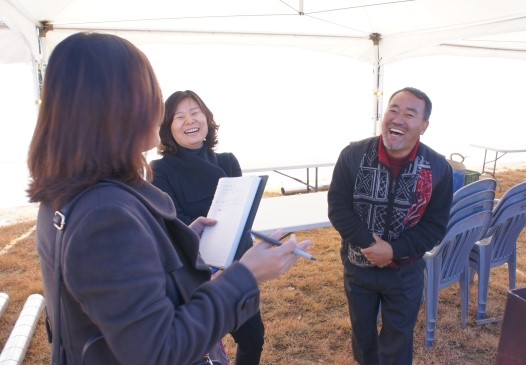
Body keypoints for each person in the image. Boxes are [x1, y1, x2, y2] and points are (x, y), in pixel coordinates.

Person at [27, 31, 312, 365]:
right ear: (117, 106)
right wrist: (246, 275)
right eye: (150, 92)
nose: (158, 107)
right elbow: (159, 350)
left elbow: (122, 289)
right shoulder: (105, 215)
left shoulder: (71, 193)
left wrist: (180, 239)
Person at [327, 87, 453, 364]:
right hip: (359, 266)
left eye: (409, 114)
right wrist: (370, 244)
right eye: (393, 110)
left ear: (424, 126)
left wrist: (393, 251)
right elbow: (338, 207)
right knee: (363, 335)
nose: (398, 118)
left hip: (405, 273)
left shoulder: (437, 169)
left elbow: (434, 226)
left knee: (398, 339)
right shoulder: (353, 155)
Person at [150, 90, 265, 365]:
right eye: (179, 116)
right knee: (199, 348)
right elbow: (172, 225)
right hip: (193, 274)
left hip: (234, 267)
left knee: (253, 337)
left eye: (195, 112)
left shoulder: (227, 161)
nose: (189, 120)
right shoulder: (160, 169)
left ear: (206, 118)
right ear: (168, 128)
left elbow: (242, 217)